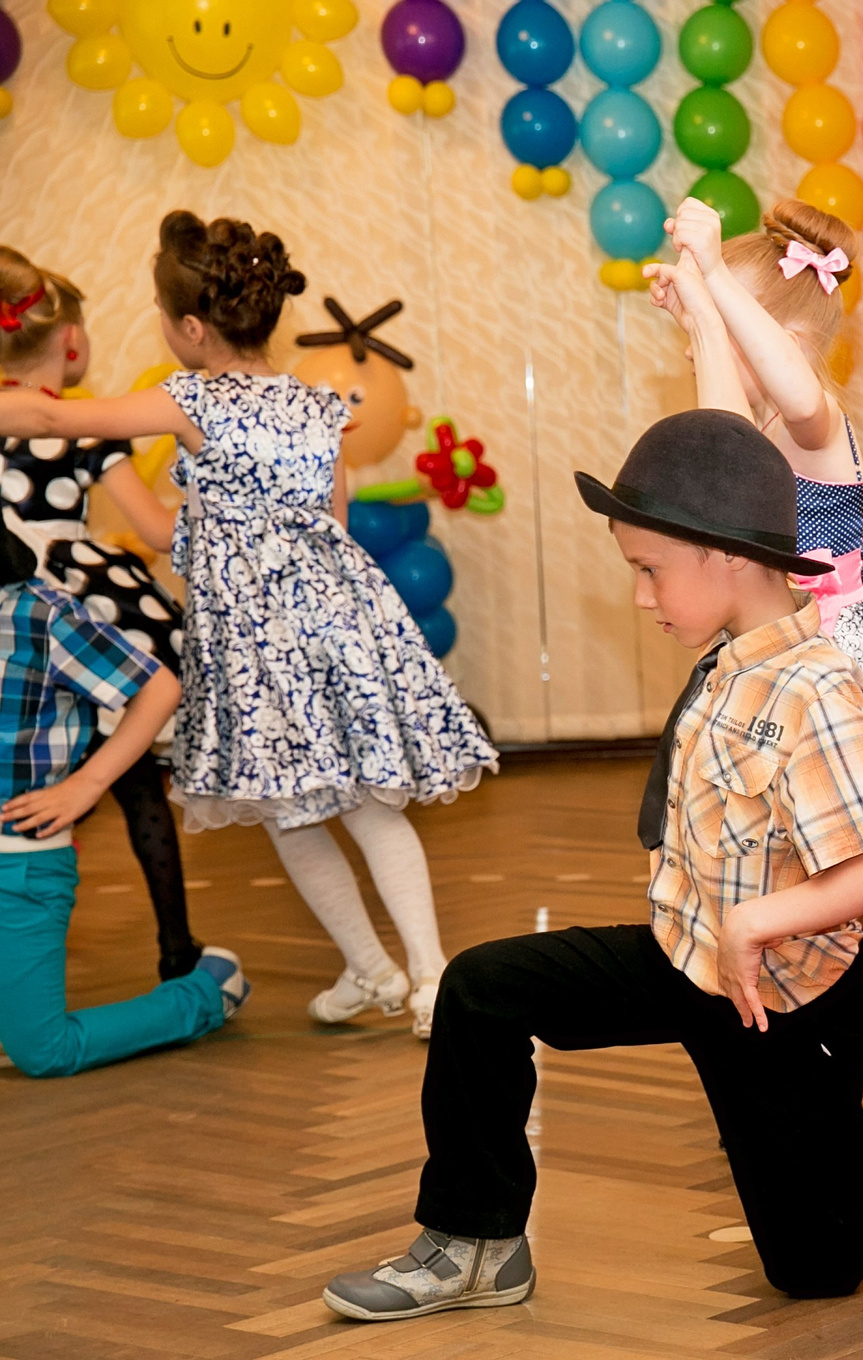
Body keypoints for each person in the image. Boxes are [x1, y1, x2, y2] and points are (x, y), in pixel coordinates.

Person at [320, 412, 863, 1319]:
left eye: (650, 569)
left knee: (815, 1263)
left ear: (724, 555)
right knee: (482, 989)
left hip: (787, 1005)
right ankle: (476, 1242)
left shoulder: (817, 687)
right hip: (687, 958)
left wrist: (757, 922)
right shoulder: (723, 663)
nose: (642, 596)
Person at [0, 214, 496, 1039]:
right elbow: (335, 513)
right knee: (360, 805)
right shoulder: (317, 403)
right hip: (340, 618)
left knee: (288, 808)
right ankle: (413, 974)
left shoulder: (190, 397)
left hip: (256, 635)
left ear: (191, 327)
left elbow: (54, 423)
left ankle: (386, 971)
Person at [649, 196, 863, 993]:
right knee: (818, 902)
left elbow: (794, 392)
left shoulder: (815, 426)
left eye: (730, 329)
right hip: (784, 677)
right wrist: (703, 320)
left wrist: (714, 277)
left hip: (840, 680)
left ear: (783, 340)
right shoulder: (753, 445)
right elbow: (720, 446)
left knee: (848, 886)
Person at [0, 246, 199, 985]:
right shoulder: (88, 424)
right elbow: (155, 531)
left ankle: (21, 945)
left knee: (18, 774)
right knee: (136, 781)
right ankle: (177, 951)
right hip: (79, 611)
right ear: (73, 343)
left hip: (6, 623)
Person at [0, 523, 248, 1076]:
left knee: (43, 1051)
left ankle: (206, 992)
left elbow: (158, 688)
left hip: (17, 869)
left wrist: (85, 784)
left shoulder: (39, 614)